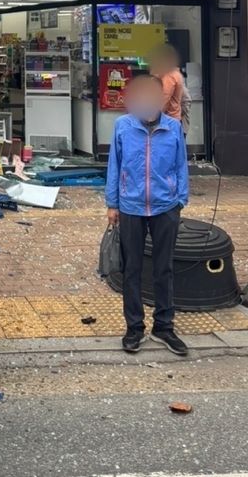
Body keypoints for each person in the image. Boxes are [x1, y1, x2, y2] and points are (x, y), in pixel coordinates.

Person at [105, 75, 189, 356]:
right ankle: (134, 328)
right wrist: (112, 203)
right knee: (133, 270)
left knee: (164, 268)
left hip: (166, 207)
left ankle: (164, 326)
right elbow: (114, 166)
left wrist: (180, 199)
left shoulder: (173, 128)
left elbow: (181, 166)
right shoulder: (122, 127)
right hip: (131, 207)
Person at [149, 43, 183, 122]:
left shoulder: (169, 76)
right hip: (172, 118)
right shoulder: (174, 73)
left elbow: (164, 99)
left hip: (167, 120)